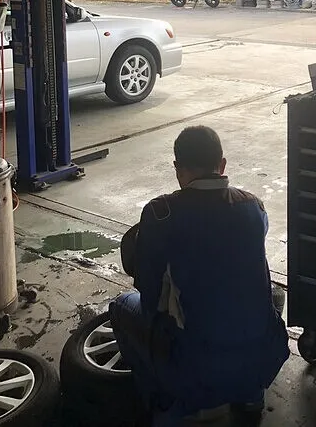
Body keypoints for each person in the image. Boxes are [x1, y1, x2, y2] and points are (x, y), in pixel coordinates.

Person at [110, 125, 289, 425]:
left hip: (196, 368)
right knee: (269, 296)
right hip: (263, 359)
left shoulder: (161, 212)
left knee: (120, 306)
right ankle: (251, 397)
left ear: (178, 169)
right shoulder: (253, 205)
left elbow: (151, 296)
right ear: (222, 165)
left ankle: (165, 403)